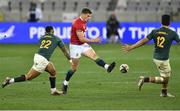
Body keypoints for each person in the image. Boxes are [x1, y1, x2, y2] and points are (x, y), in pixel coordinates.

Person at [1, 26, 71, 95]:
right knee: (29, 77)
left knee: (53, 71)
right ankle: (10, 80)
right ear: (52, 31)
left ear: (45, 32)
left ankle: (53, 90)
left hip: (39, 57)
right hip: (42, 60)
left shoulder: (42, 37)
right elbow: (65, 51)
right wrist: (70, 60)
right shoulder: (57, 39)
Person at [122, 14, 180, 97]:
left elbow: (143, 41)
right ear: (169, 23)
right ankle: (145, 79)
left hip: (156, 57)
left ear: (161, 22)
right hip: (163, 59)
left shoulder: (155, 31)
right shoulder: (173, 33)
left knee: (165, 75)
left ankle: (164, 92)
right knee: (165, 79)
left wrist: (131, 47)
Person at [61, 8, 116, 94]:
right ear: (83, 14)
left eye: (90, 16)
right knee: (74, 68)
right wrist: (94, 40)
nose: (89, 18)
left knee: (94, 56)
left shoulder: (82, 21)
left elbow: (82, 39)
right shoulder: (78, 24)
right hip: (75, 46)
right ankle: (65, 83)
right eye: (88, 16)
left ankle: (107, 67)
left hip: (82, 45)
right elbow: (81, 38)